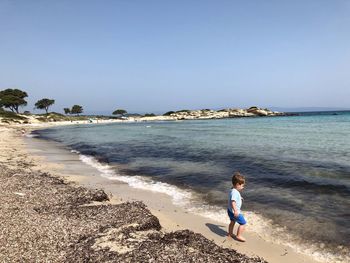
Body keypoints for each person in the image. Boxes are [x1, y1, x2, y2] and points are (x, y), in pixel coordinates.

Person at [227, 171, 247, 242]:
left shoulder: (232, 189)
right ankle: (239, 236)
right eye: (242, 186)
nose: (243, 187)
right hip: (234, 212)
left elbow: (233, 197)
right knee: (243, 223)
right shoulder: (235, 192)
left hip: (229, 211)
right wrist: (235, 210)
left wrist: (240, 198)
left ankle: (230, 233)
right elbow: (233, 201)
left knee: (232, 222)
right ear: (238, 184)